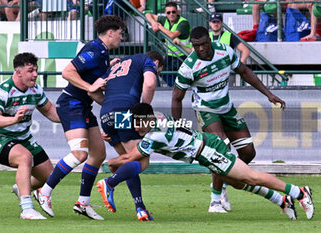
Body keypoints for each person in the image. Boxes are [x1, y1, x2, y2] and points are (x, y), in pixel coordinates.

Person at [97, 103, 314, 221]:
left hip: (210, 151)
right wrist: (110, 130)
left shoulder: (155, 136)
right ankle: (281, 201)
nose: (136, 129)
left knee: (252, 176)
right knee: (239, 183)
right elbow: (128, 119)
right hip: (205, 150)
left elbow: (129, 157)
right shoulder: (158, 117)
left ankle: (299, 193)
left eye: (138, 125)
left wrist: (110, 163)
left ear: (148, 119)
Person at [171, 26, 286, 213]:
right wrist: (177, 127)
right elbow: (177, 97)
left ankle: (224, 178)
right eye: (196, 46)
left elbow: (244, 72)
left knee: (248, 153)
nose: (200, 49)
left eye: (203, 44)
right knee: (222, 149)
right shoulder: (189, 67)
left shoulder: (225, 51)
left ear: (210, 40)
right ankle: (215, 201)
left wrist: (268, 94)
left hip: (227, 108)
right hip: (206, 110)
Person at [33, 15, 126, 220]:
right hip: (71, 104)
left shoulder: (102, 53)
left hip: (83, 106)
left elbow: (93, 88)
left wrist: (108, 71)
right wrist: (90, 86)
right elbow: (68, 72)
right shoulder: (94, 51)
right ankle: (44, 191)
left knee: (98, 154)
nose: (122, 37)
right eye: (120, 33)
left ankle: (83, 202)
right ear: (110, 33)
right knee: (79, 154)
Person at [0, 52, 60, 220]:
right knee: (25, 158)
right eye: (30, 70)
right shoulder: (3, 91)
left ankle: (22, 187)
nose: (35, 74)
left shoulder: (36, 89)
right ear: (18, 72)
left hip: (23, 138)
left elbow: (51, 112)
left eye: (36, 70)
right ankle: (27, 209)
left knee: (49, 176)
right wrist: (14, 119)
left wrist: (74, 118)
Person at [89, 51, 163, 221]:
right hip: (125, 113)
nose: (156, 73)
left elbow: (92, 92)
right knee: (142, 161)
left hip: (106, 114)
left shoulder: (115, 66)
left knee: (129, 161)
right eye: (158, 70)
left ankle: (140, 208)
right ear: (157, 63)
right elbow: (150, 84)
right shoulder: (145, 61)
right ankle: (109, 183)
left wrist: (112, 108)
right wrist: (142, 111)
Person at [145, 1, 191, 87]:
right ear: (165, 13)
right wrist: (153, 23)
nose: (171, 14)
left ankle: (178, 88)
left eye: (173, 12)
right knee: (162, 72)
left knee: (183, 77)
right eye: (168, 12)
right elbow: (147, 14)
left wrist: (160, 27)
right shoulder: (164, 19)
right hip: (170, 54)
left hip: (182, 55)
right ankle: (175, 87)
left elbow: (172, 35)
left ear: (177, 12)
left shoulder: (183, 22)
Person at [248, 0, 318, 41]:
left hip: (288, 3)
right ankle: (255, 29)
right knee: (258, 4)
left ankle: (313, 33)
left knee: (311, 3)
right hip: (279, 2)